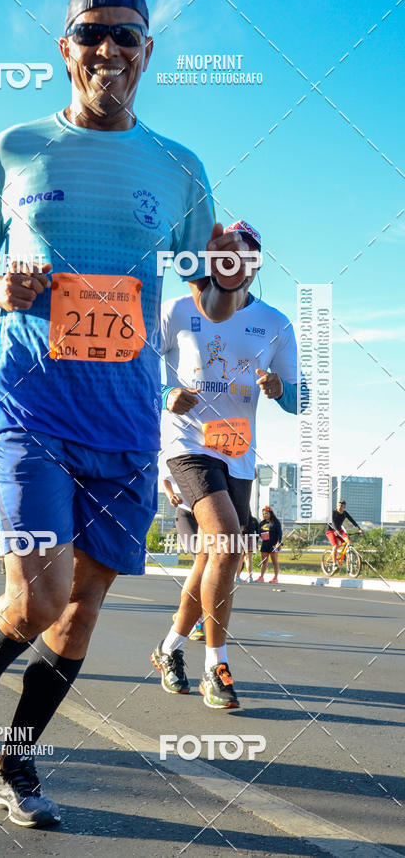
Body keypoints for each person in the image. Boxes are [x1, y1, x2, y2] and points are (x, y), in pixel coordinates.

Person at [0, 0, 246, 828]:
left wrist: (222, 283)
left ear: (148, 53)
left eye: (127, 37)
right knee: (36, 598)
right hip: (31, 408)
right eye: (91, 34)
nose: (108, 49)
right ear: (65, 48)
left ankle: (15, 765)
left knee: (80, 617)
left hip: (123, 417)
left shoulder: (180, 168)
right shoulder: (16, 147)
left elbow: (207, 299)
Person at [151, 220, 303, 708]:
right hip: (187, 445)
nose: (239, 264)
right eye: (229, 255)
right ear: (215, 259)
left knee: (216, 558)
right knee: (227, 542)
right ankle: (215, 665)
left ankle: (169, 647)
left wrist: (280, 390)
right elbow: (134, 368)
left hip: (237, 453)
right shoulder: (176, 309)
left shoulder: (276, 323)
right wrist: (167, 393)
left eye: (250, 258)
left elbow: (299, 401)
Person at [162, 474, 204, 641]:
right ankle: (196, 621)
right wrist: (170, 494)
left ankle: (183, 612)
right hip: (186, 513)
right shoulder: (190, 452)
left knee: (209, 565)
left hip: (208, 514)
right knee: (201, 561)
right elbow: (166, 478)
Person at [326, 499, 363, 569]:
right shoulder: (333, 512)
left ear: (344, 507)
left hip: (339, 530)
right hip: (331, 531)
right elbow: (332, 522)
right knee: (335, 546)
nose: (339, 507)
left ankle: (344, 556)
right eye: (339, 506)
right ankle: (334, 564)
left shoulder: (345, 513)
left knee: (348, 542)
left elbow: (352, 521)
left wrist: (359, 529)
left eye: (341, 506)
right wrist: (335, 530)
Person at [255, 506, 283, 582]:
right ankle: (261, 577)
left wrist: (279, 542)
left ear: (270, 513)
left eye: (266, 513)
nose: (265, 515)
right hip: (265, 544)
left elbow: (279, 533)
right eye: (263, 514)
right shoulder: (262, 523)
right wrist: (259, 539)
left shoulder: (276, 522)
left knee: (274, 562)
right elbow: (258, 532)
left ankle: (275, 578)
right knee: (264, 561)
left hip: (273, 544)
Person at [235, 512, 259, 582]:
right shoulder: (254, 520)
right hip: (251, 539)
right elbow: (258, 531)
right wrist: (256, 541)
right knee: (249, 558)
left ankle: (237, 577)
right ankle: (250, 577)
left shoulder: (241, 520)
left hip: (242, 538)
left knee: (240, 558)